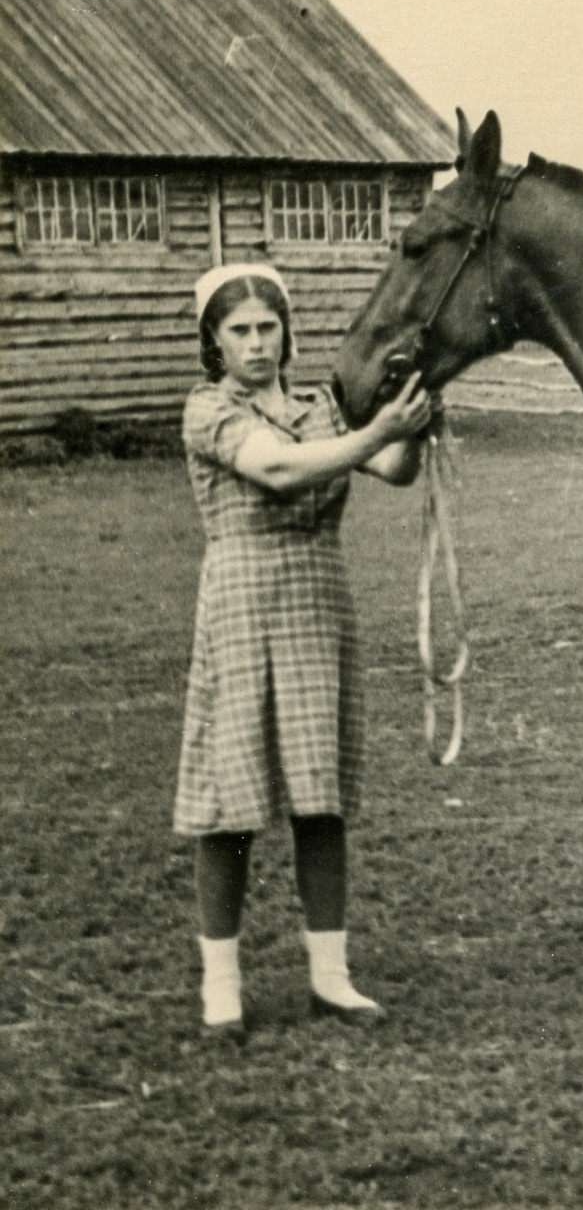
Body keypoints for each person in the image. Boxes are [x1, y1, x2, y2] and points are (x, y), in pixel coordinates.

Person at [176, 262, 432, 1040]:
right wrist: (378, 431)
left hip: (318, 602)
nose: (257, 344)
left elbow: (390, 466)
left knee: (321, 798)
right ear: (213, 344)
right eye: (239, 332)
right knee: (231, 803)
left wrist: (416, 420)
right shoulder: (207, 409)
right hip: (242, 604)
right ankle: (222, 989)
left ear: (288, 330)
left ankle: (331, 978)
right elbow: (279, 469)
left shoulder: (323, 406)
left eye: (268, 326)